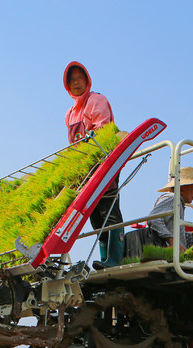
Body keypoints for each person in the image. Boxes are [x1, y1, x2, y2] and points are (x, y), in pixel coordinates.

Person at [63, 61, 124, 268]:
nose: (76, 83)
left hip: (103, 164)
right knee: (95, 215)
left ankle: (115, 258)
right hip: (85, 170)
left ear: (87, 80)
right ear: (67, 85)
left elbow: (103, 132)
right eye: (72, 80)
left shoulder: (96, 100)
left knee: (109, 208)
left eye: (80, 78)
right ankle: (104, 256)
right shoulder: (70, 113)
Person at [128, 166, 193, 257]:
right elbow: (154, 219)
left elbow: (177, 235)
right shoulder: (172, 198)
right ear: (183, 187)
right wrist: (172, 242)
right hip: (164, 254)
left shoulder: (177, 202)